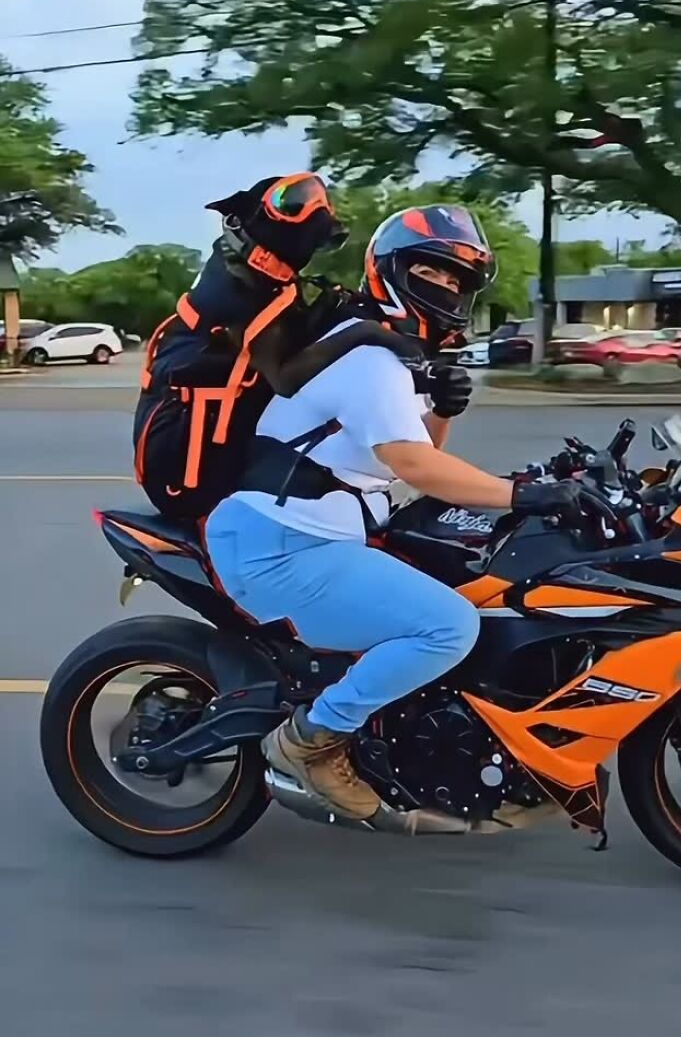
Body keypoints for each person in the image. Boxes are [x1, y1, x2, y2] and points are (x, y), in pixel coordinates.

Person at [205, 204, 580, 822]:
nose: (448, 290)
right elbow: (416, 468)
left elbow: (412, 453)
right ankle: (311, 741)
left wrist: (444, 409)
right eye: (434, 273)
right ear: (393, 272)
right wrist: (521, 494)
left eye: (459, 281)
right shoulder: (369, 360)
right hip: (281, 545)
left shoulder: (387, 355)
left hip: (318, 535)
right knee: (448, 626)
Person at [134, 173, 418, 520]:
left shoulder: (269, 279)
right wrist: (369, 332)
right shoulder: (236, 290)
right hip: (192, 487)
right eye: (294, 201)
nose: (315, 207)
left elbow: (295, 342)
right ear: (242, 217)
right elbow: (284, 377)